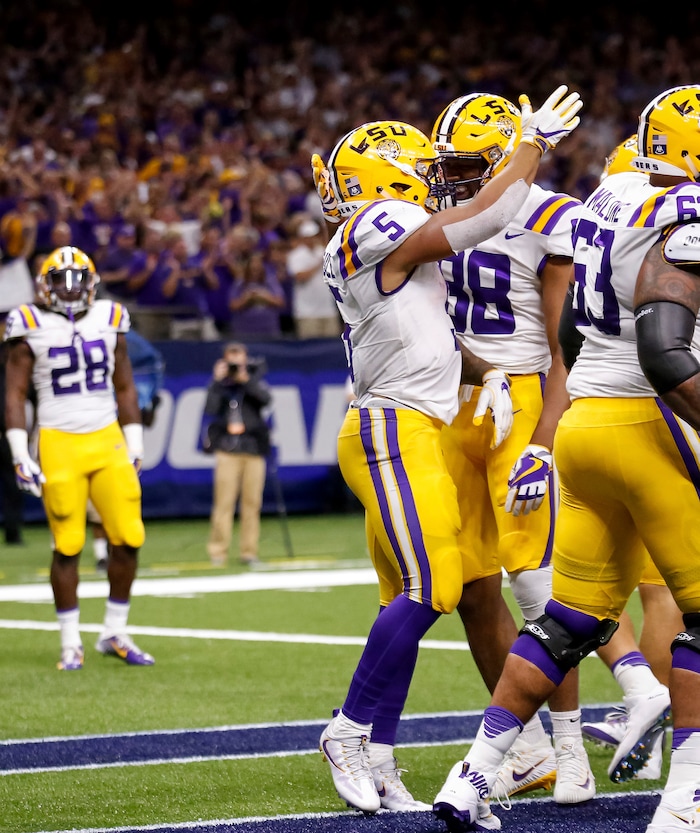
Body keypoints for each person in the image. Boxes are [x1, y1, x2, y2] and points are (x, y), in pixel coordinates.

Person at [433, 85, 700, 833]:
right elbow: (666, 347)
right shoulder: (683, 212)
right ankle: (687, 796)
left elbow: (574, 335)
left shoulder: (610, 192)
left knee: (567, 617)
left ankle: (473, 774)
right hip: (652, 419)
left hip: (583, 423)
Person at [314, 85, 583, 816]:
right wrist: (533, 144)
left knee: (420, 595)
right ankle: (347, 730)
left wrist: (490, 371)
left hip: (414, 426)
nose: (433, 177)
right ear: (387, 177)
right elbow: (487, 215)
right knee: (432, 588)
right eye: (420, 167)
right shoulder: (377, 220)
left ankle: (380, 754)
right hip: (389, 429)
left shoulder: (383, 238)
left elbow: (432, 336)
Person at [429, 92, 593, 804]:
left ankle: (572, 743)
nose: (451, 181)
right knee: (471, 587)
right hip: (454, 401)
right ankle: (523, 748)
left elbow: (567, 348)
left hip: (519, 399)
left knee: (536, 585)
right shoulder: (443, 217)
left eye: (467, 167)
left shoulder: (549, 215)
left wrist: (546, 437)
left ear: (502, 158)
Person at [579, 134, 683, 783]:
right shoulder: (668, 219)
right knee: (672, 586)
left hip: (622, 403)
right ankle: (660, 718)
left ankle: (648, 706)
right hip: (664, 404)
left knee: (657, 583)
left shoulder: (610, 201)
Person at [3, 245, 154, 671]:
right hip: (57, 439)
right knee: (67, 543)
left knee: (129, 535)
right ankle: (70, 641)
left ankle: (114, 631)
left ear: (91, 283)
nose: (69, 291)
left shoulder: (111, 316)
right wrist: (19, 452)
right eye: (59, 281)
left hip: (106, 437)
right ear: (43, 285)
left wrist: (135, 443)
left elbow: (125, 386)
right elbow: (14, 394)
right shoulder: (27, 322)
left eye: (76, 281)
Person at [203, 341, 272, 567]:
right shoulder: (220, 386)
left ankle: (249, 552)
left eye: (238, 357)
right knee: (223, 502)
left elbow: (266, 400)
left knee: (252, 504)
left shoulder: (254, 380)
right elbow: (210, 410)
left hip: (252, 448)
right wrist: (216, 381)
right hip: (227, 449)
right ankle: (218, 552)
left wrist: (246, 380)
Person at [285, 214, 341, 339]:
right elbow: (299, 277)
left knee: (331, 346)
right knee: (310, 346)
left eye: (313, 236)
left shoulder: (324, 251)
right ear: (302, 238)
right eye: (307, 237)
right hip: (307, 312)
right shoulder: (295, 255)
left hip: (327, 309)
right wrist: (318, 264)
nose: (311, 239)